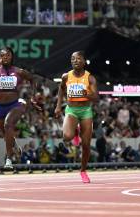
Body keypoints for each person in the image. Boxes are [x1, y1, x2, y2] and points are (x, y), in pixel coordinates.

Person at [0, 47, 39, 169]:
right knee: (6, 134)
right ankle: (13, 143)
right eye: (3, 55)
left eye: (8, 55)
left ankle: (9, 158)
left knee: (8, 125)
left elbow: (33, 79)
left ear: (12, 57)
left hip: (15, 105)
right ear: (0, 58)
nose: (5, 57)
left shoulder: (18, 71)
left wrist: (33, 96)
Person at [55, 51, 98, 183]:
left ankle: (83, 171)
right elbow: (61, 89)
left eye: (78, 59)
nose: (75, 61)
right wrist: (58, 106)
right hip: (71, 110)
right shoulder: (66, 77)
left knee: (86, 145)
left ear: (84, 61)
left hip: (85, 111)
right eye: (73, 59)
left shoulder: (90, 78)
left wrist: (87, 94)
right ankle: (75, 132)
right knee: (67, 137)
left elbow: (96, 97)